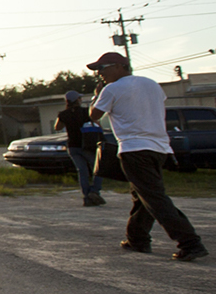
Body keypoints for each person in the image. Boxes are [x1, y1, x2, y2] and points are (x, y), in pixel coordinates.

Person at [88, 52, 208, 261]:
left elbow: (94, 115)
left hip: (134, 150)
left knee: (154, 198)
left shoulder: (111, 89)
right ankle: (137, 239)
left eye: (103, 68)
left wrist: (97, 95)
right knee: (142, 196)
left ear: (119, 66)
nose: (100, 74)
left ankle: (190, 243)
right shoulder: (152, 84)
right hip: (160, 148)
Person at [54, 90, 104, 206]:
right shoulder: (86, 112)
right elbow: (97, 124)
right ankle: (95, 191)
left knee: (82, 172)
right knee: (98, 168)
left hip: (72, 146)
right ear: (78, 100)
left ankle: (86, 197)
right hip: (87, 144)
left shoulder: (63, 114)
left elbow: (57, 127)